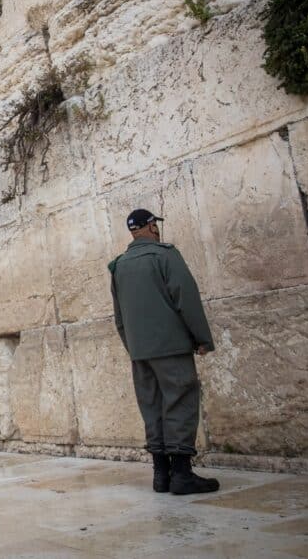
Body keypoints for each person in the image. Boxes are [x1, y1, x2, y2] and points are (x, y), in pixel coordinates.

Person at [108, 209, 220, 495]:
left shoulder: (119, 266)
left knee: (152, 407)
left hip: (140, 352)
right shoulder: (165, 255)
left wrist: (134, 348)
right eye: (155, 225)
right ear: (151, 227)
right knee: (180, 403)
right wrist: (202, 338)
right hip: (171, 346)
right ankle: (181, 474)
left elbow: (119, 318)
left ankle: (161, 474)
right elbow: (186, 298)